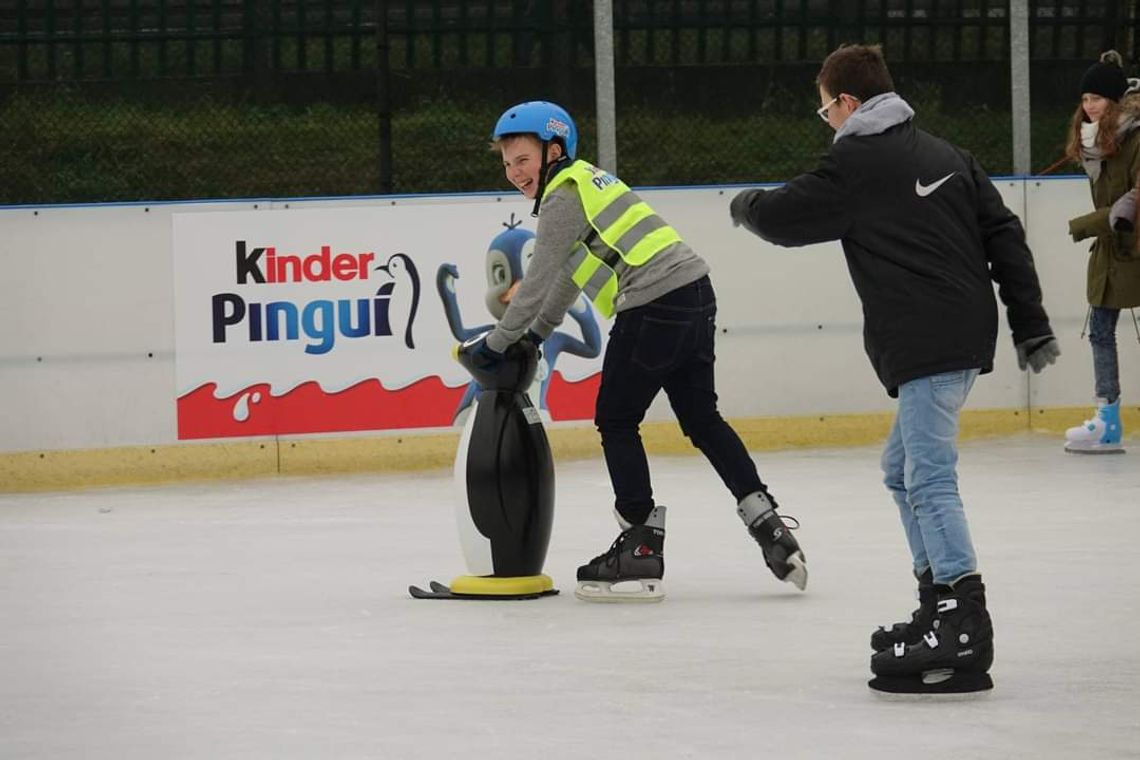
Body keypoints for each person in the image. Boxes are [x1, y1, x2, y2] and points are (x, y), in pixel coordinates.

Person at [729, 44, 1058, 695]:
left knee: (929, 477)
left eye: (826, 109)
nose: (827, 122)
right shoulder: (943, 152)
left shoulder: (859, 159)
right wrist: (1030, 322)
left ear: (848, 103)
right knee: (900, 469)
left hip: (928, 340)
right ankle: (937, 604)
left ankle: (964, 621)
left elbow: (787, 217)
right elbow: (1005, 234)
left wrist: (745, 205)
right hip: (957, 335)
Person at [468, 100, 807, 603]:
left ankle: (641, 545)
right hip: (696, 291)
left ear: (554, 150)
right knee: (702, 418)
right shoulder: (588, 186)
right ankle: (768, 523)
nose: (513, 173)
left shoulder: (564, 195)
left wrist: (494, 346)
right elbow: (564, 279)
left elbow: (535, 283)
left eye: (522, 159)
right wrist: (536, 336)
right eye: (506, 163)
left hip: (654, 303)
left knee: (617, 419)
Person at [1062, 50, 1140, 454]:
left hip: (1132, 243)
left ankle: (1108, 422)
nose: (1088, 106)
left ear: (1114, 100)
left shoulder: (1136, 138)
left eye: (1096, 98)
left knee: (1102, 329)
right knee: (1101, 330)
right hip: (1116, 247)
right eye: (1085, 99)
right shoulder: (1097, 143)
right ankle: (1107, 421)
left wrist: (1084, 225)